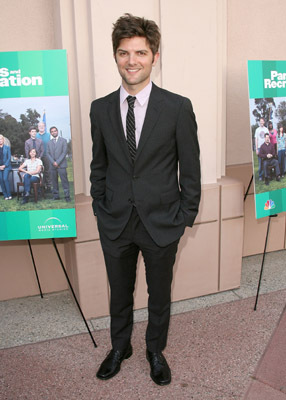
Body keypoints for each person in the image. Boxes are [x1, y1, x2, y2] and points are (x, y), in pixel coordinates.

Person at [90, 14, 201, 386]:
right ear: (116, 56)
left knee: (159, 294)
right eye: (124, 53)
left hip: (162, 222)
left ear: (154, 56)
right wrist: (100, 206)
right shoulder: (100, 108)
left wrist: (185, 215)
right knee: (118, 293)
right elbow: (99, 165)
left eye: (140, 52)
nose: (131, 60)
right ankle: (120, 347)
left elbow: (190, 168)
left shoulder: (177, 107)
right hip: (115, 219)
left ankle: (155, 349)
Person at [47, 126, 71, 202]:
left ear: (57, 131)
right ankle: (56, 196)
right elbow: (47, 153)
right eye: (52, 131)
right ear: (51, 133)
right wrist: (53, 162)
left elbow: (64, 152)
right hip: (52, 165)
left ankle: (67, 196)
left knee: (64, 181)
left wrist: (57, 162)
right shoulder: (49, 143)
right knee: (54, 181)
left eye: (55, 131)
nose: (54, 132)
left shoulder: (63, 141)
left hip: (61, 165)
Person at [36, 121, 52, 191]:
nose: (41, 127)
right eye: (40, 126)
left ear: (45, 127)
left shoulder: (49, 135)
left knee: (47, 171)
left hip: (47, 156)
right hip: (37, 157)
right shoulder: (35, 135)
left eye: (43, 126)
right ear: (38, 127)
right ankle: (40, 186)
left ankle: (48, 186)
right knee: (39, 171)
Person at [0, 134, 12, 200]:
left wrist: (4, 165)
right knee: (1, 180)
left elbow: (9, 157)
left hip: (6, 166)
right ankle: (5, 195)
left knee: (5, 179)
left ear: (3, 140)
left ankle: (9, 194)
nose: (0, 140)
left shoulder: (7, 147)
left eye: (1, 139)